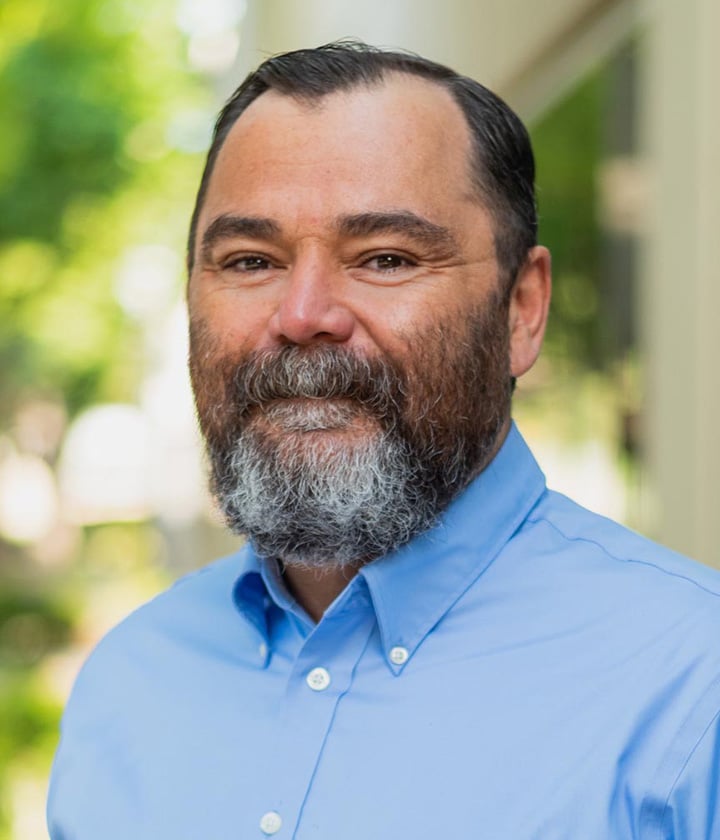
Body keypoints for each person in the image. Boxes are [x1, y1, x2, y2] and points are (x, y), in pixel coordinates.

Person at [48, 41, 720, 839]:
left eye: (386, 258)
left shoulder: (692, 685)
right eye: (251, 260)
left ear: (522, 310)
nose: (303, 315)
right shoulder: (128, 687)